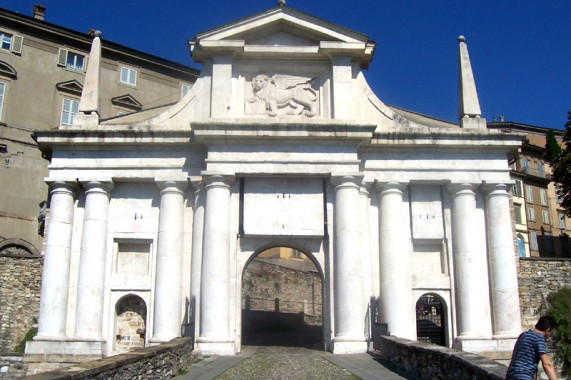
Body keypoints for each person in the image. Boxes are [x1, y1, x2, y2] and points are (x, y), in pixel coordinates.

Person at [506, 316, 558, 380]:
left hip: (511, 376)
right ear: (547, 330)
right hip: (524, 377)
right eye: (551, 332)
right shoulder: (539, 338)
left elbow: (514, 358)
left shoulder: (523, 335)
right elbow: (547, 365)